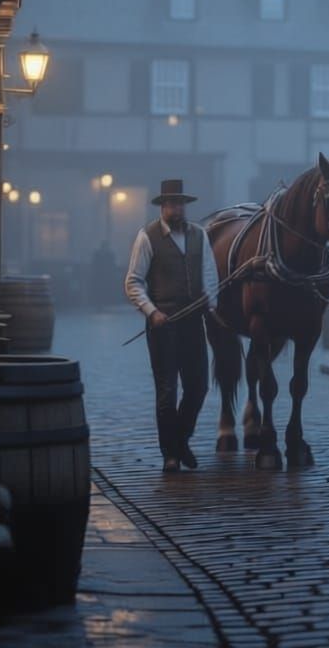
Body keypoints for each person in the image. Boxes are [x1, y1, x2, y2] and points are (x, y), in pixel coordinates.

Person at [125, 179, 218, 473]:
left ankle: (180, 440)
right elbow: (133, 282)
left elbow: (210, 275)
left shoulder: (199, 235)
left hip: (193, 323)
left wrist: (211, 302)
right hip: (162, 326)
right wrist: (151, 312)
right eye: (172, 204)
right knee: (167, 391)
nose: (178, 209)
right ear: (162, 206)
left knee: (198, 386)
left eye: (181, 204)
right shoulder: (147, 236)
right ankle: (171, 454)